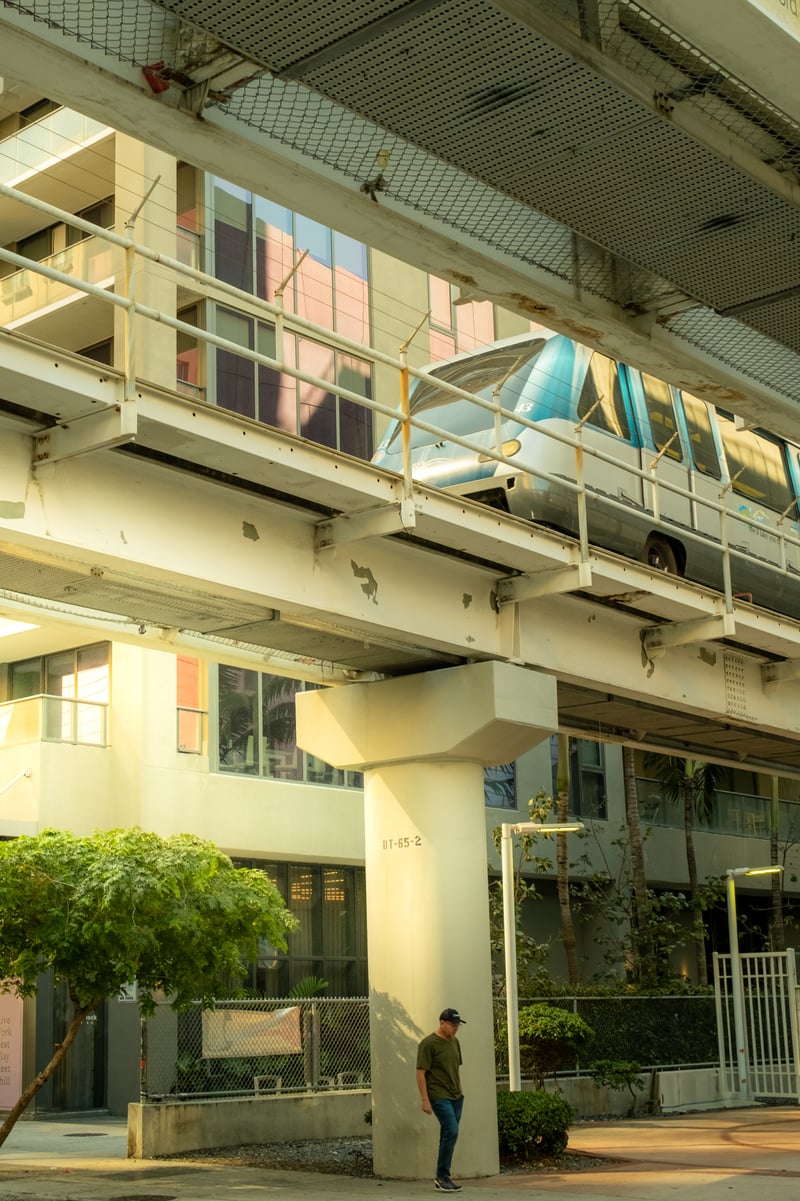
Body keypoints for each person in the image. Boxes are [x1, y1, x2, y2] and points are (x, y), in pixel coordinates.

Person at [416, 1007, 467, 1192]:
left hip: (455, 1096)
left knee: (448, 1134)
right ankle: (443, 1175)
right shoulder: (428, 1044)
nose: (455, 1028)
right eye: (452, 1024)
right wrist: (425, 1099)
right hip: (438, 1095)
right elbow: (420, 1072)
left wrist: (460, 1091)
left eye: (457, 1025)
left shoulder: (455, 1043)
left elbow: (455, 1067)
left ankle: (442, 1177)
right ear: (442, 1023)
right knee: (451, 1131)